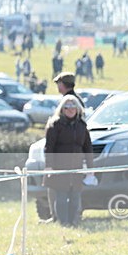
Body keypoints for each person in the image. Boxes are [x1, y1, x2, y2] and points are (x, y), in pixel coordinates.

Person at [44, 95, 94, 227]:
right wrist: (49, 166)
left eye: (73, 106)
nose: (70, 109)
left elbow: (88, 148)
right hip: (59, 168)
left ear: (78, 109)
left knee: (75, 198)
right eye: (67, 107)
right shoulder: (54, 125)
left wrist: (91, 169)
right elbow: (49, 147)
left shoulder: (82, 126)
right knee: (61, 197)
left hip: (76, 168)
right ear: (62, 109)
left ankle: (73, 222)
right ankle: (64, 223)